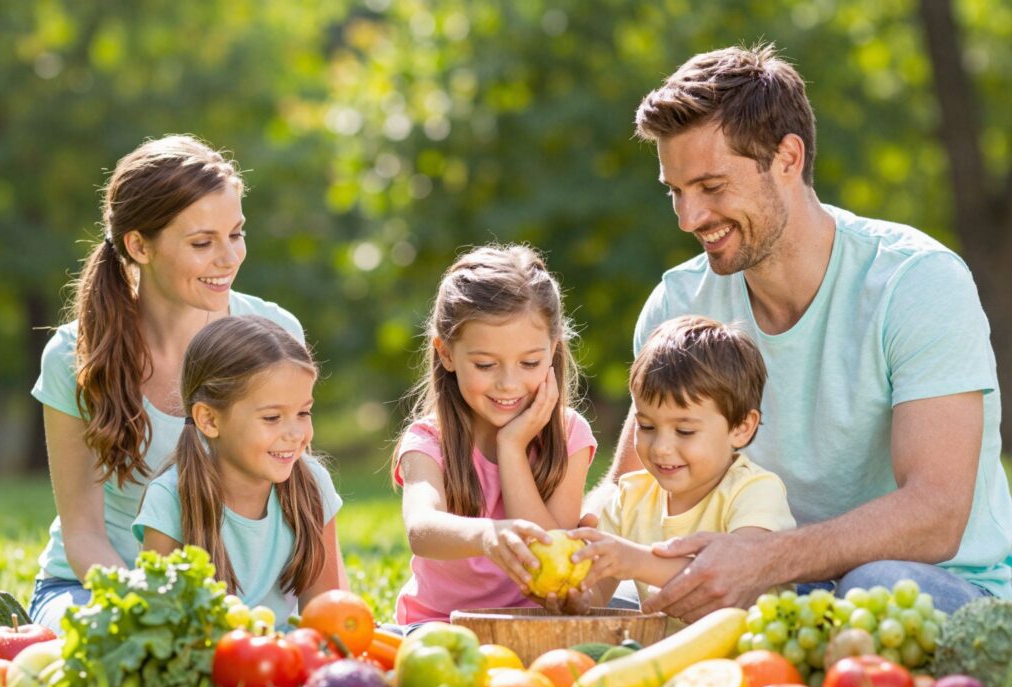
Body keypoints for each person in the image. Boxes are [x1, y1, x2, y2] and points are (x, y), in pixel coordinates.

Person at [588, 43, 1011, 621]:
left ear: (787, 158)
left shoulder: (916, 282)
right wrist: (567, 549)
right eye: (675, 192)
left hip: (935, 586)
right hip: (761, 592)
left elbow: (936, 513)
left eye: (711, 187)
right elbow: (631, 489)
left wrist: (767, 560)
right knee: (617, 605)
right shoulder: (678, 304)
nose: (689, 218)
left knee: (874, 588)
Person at [28, 135, 305, 632]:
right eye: (202, 243)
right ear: (139, 245)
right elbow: (84, 533)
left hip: (234, 594)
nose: (229, 258)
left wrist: (224, 611)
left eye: (236, 234)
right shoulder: (74, 356)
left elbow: (293, 496)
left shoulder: (274, 335)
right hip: (96, 588)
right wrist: (158, 611)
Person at [392, 244, 597, 624]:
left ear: (553, 349)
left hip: (534, 623)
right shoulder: (427, 441)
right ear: (446, 354)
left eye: (530, 363)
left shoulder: (571, 435)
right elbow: (421, 530)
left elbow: (546, 554)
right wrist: (486, 536)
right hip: (440, 623)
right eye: (486, 365)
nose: (508, 384)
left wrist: (512, 447)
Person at [132, 316, 346, 630]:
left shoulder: (313, 485)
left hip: (291, 654)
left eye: (304, 412)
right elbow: (158, 624)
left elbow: (324, 618)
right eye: (272, 418)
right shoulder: (169, 499)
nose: (296, 433)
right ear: (209, 420)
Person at [571, 316, 795, 608]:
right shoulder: (630, 497)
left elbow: (731, 578)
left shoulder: (756, 492)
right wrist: (572, 595)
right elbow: (596, 596)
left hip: (749, 637)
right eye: (647, 426)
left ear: (741, 427)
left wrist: (634, 561)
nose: (661, 448)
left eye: (685, 431)